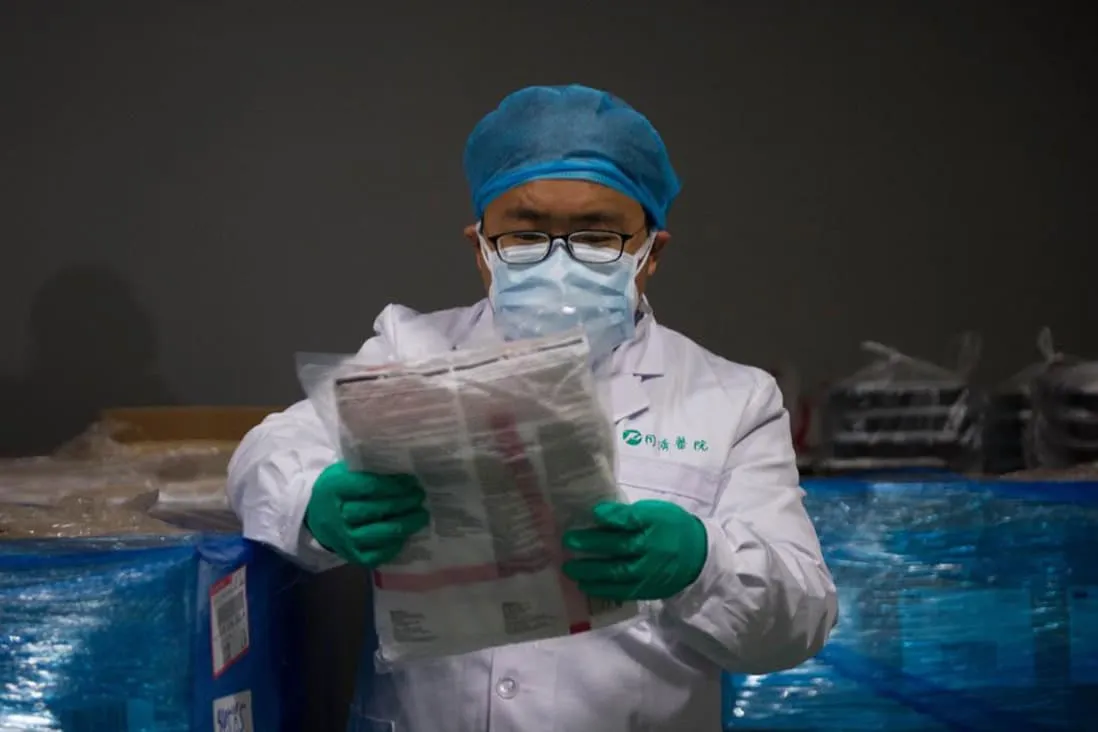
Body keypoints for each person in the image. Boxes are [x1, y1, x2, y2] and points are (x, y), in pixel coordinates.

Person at [228, 84, 838, 731]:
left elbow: (802, 620)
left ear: (651, 252)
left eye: (596, 236)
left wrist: (700, 563)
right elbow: (262, 459)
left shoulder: (732, 399)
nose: (559, 260)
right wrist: (315, 503)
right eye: (526, 234)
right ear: (482, 249)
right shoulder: (410, 349)